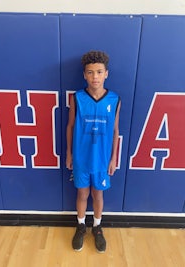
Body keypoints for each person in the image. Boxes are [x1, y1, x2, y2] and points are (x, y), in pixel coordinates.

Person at [66, 50, 121, 253]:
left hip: (102, 160)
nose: (95, 77)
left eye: (99, 72)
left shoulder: (114, 100)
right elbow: (70, 126)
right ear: (84, 75)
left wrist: (113, 158)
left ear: (106, 73)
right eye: (90, 72)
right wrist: (69, 153)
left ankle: (97, 227)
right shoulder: (78, 98)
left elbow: (115, 131)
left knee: (98, 194)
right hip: (81, 157)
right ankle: (81, 225)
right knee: (82, 193)